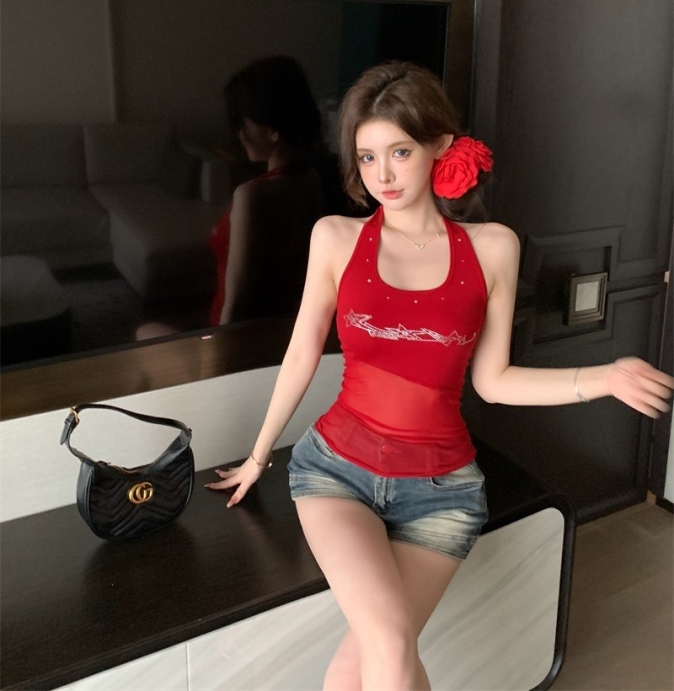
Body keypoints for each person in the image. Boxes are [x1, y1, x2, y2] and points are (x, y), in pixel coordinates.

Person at [206, 61, 673, 690]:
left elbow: (494, 381)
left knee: (358, 668)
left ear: (440, 146)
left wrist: (605, 377)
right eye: (367, 157)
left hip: (441, 492)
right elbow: (302, 352)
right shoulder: (336, 237)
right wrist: (259, 455)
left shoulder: (493, 247)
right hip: (337, 471)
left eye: (399, 152)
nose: (383, 175)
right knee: (391, 645)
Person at [209, 55, 340, 325]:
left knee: (146, 332)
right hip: (282, 327)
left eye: (244, 123)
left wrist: (218, 350)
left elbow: (236, 301)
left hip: (238, 335)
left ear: (272, 131)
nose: (240, 135)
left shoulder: (251, 195)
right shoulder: (311, 179)